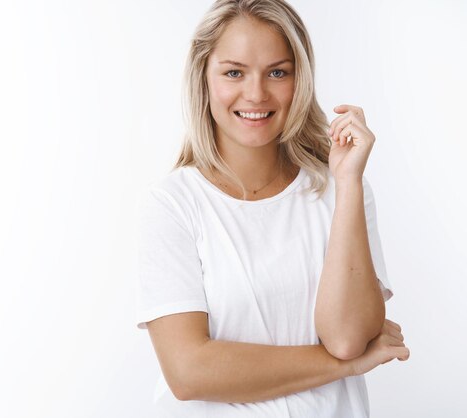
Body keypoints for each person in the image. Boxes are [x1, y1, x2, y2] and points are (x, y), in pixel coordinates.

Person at [134, 0, 410, 416]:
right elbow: (189, 372)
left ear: (301, 80)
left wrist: (348, 182)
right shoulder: (173, 204)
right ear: (203, 78)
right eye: (234, 72)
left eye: (278, 72)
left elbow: (348, 336)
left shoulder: (343, 190)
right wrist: (347, 365)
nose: (256, 93)